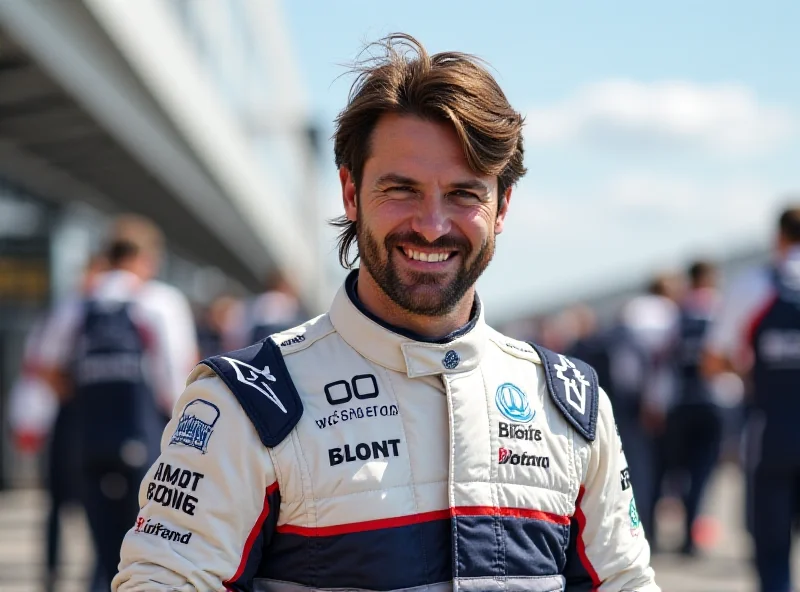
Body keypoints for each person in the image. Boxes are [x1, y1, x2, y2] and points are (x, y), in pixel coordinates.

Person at [114, 34, 659, 591]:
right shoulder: (249, 403)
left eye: (464, 194)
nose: (431, 224)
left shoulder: (572, 404)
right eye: (402, 189)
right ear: (350, 193)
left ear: (502, 207)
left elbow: (624, 582)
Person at [39, 215, 198, 587]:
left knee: (101, 547)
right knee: (145, 546)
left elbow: (45, 367)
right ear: (146, 259)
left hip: (89, 440)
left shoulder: (77, 305)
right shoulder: (159, 302)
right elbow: (178, 381)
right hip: (145, 438)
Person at [703, 206, 800, 592]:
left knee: (772, 552)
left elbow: (712, 361)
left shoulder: (755, 284)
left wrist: (748, 369)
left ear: (778, 238)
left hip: (772, 435)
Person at [663, 260, 722, 556]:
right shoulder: (719, 309)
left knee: (680, 472)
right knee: (703, 471)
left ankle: (684, 533)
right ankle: (691, 535)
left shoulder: (676, 313)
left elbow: (663, 357)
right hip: (712, 403)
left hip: (680, 402)